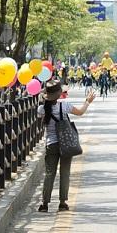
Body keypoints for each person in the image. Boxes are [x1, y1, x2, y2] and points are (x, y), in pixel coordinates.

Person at [37, 80, 95, 212]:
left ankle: (45, 204)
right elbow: (80, 112)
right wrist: (87, 101)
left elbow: (42, 117)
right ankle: (62, 203)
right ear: (59, 94)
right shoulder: (65, 106)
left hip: (51, 144)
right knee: (65, 173)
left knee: (49, 174)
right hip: (66, 144)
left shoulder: (41, 109)